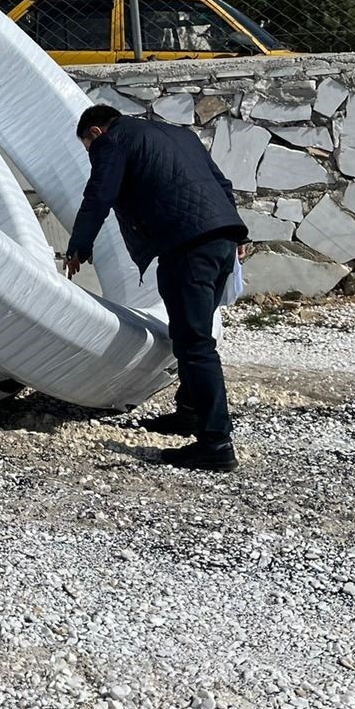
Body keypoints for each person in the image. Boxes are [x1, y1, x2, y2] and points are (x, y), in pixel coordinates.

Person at [63, 104, 248, 473]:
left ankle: (216, 443)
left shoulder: (112, 141)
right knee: (188, 331)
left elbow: (99, 195)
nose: (92, 154)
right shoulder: (179, 134)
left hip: (187, 246)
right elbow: (222, 183)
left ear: (96, 133)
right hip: (221, 239)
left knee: (195, 343)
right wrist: (238, 229)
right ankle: (190, 413)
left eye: (88, 148)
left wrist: (79, 246)